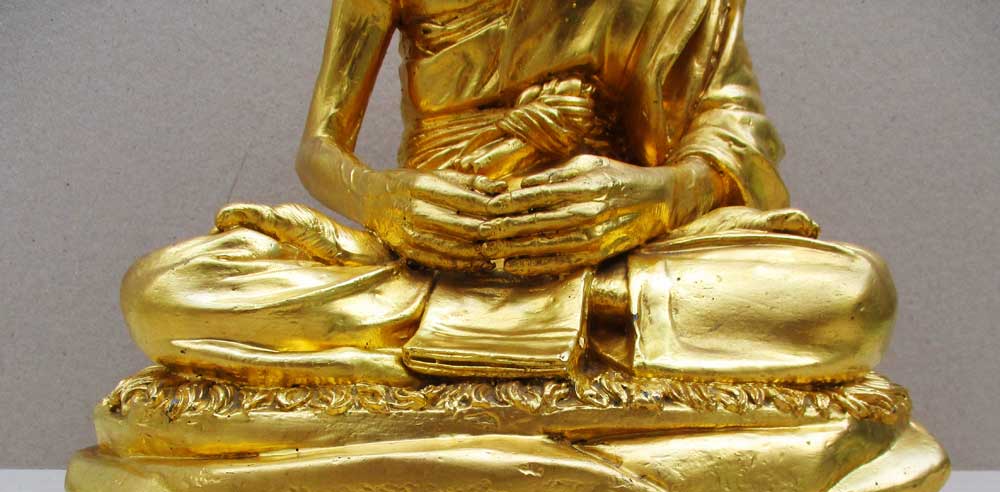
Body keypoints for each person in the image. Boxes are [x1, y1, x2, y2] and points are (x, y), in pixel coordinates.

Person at [121, 0, 895, 386]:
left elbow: (734, 128)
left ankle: (559, 320)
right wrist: (380, 200)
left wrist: (657, 197)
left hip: (610, 254)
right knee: (166, 290)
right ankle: (585, 336)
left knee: (851, 296)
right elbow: (320, 146)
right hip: (423, 254)